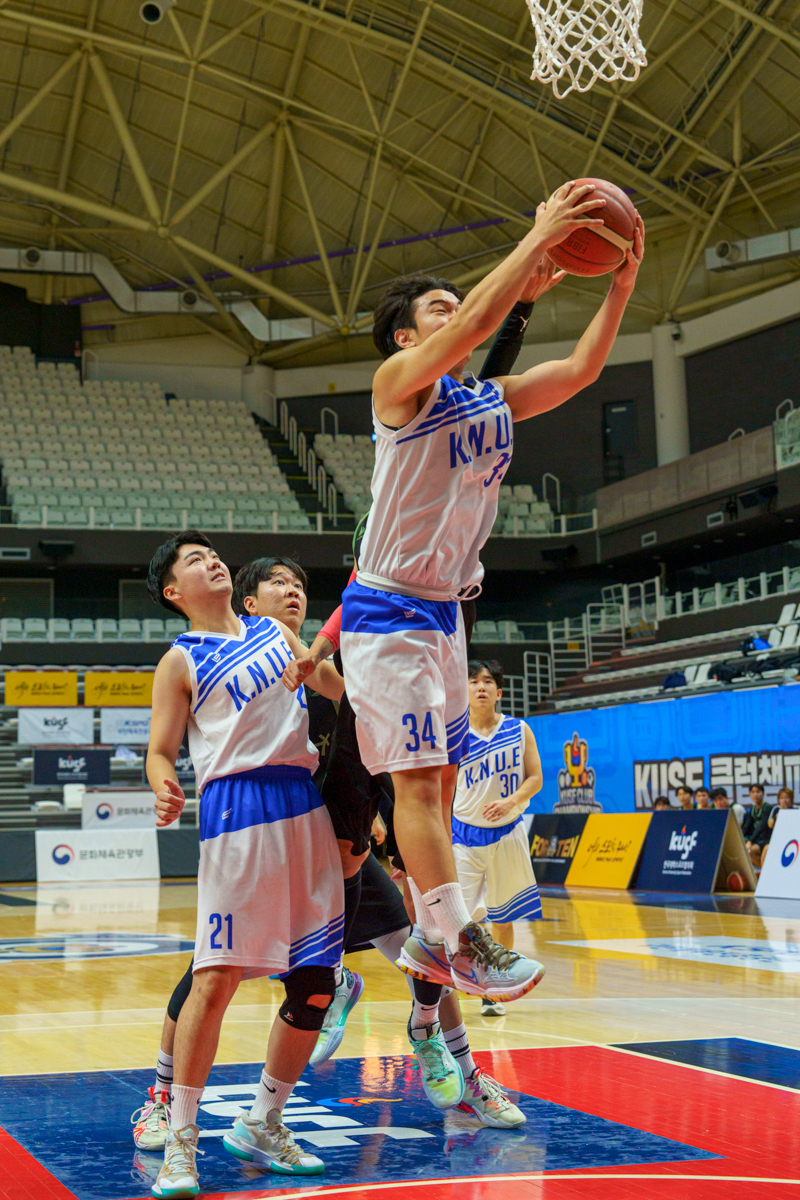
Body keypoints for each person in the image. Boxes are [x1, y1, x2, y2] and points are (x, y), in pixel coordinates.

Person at [321, 183, 644, 1001]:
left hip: (445, 613)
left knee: (437, 783)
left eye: (456, 303)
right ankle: (458, 939)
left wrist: (621, 284)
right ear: (406, 335)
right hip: (388, 606)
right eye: (438, 306)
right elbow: (473, 328)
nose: (456, 312)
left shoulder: (488, 401)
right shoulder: (397, 387)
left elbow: (580, 371)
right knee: (418, 784)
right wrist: (537, 239)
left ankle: (431, 940)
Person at [144, 532, 345, 1196]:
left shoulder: (276, 632)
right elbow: (160, 750)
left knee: (315, 981)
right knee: (217, 977)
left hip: (303, 804)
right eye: (194, 560)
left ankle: (265, 1120)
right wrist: (163, 783)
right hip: (237, 807)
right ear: (174, 591)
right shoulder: (179, 659)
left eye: (213, 555)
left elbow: (338, 693)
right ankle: (180, 1140)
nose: (211, 562)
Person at [450, 660, 543, 1018]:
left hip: (507, 832)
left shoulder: (519, 730)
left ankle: (497, 985)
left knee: (504, 916)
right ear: (464, 691)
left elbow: (535, 778)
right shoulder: (454, 733)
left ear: (499, 692)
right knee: (459, 919)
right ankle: (456, 983)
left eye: (488, 681)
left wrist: (511, 801)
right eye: (474, 681)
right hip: (463, 833)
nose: (481, 687)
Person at [742, 783, 773, 868]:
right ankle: (764, 870)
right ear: (750, 794)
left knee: (751, 850)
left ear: (763, 793)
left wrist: (750, 841)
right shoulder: (752, 810)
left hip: (767, 839)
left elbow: (761, 826)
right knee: (746, 851)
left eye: (758, 792)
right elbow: (746, 827)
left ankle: (764, 871)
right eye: (753, 792)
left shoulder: (767, 807)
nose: (755, 794)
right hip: (757, 840)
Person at [763, 788, 794, 863]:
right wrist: (778, 814)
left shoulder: (796, 809)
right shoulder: (776, 809)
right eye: (781, 798)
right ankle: (763, 870)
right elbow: (770, 825)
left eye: (786, 798)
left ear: (791, 799)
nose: (784, 800)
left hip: (792, 839)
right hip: (778, 839)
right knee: (766, 849)